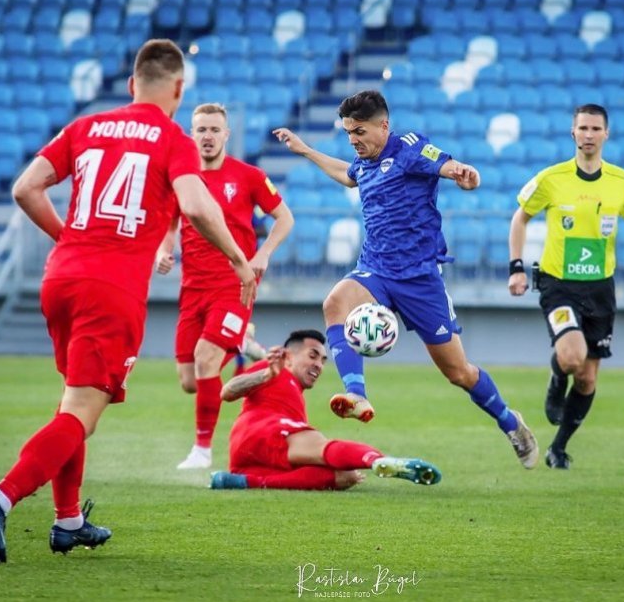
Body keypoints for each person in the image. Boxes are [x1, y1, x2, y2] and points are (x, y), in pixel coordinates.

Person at [0, 39, 258, 564]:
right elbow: (195, 204)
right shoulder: (173, 139)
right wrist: (238, 258)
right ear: (178, 89)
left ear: (130, 85)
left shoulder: (86, 127)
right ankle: (2, 498)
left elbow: (25, 189)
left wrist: (66, 239)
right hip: (112, 287)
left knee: (70, 401)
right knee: (82, 412)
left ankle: (68, 520)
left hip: (61, 279)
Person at [273, 90, 538, 470]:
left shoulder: (410, 149)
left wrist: (465, 175)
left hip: (419, 279)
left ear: (384, 126)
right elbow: (346, 176)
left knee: (459, 373)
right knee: (334, 303)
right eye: (348, 133)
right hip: (376, 269)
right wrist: (305, 150)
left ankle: (511, 423)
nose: (354, 140)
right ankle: (356, 394)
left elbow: (447, 166)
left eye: (359, 132)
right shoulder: (363, 163)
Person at [507, 103, 624, 470]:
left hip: (600, 289)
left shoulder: (623, 183)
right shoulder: (551, 179)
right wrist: (516, 267)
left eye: (596, 129)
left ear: (606, 134)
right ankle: (554, 376)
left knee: (588, 376)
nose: (589, 135)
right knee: (572, 356)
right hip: (558, 284)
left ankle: (558, 448)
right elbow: (520, 217)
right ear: (573, 133)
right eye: (583, 129)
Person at [155, 102, 293, 471]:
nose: (208, 137)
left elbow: (284, 218)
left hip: (236, 284)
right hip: (192, 288)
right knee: (190, 381)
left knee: (205, 358)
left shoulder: (247, 176)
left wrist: (262, 255)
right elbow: (168, 225)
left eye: (215, 130)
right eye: (201, 130)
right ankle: (242, 345)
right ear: (192, 134)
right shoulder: (181, 180)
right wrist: (163, 252)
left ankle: (202, 450)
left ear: (226, 135)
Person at [209, 329, 442, 490]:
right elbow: (227, 391)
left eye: (322, 361)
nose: (318, 365)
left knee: (338, 478)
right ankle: (377, 460)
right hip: (261, 429)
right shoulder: (274, 370)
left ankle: (241, 482)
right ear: (288, 356)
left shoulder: (295, 396)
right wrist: (266, 374)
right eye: (312, 356)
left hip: (245, 459)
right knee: (322, 447)